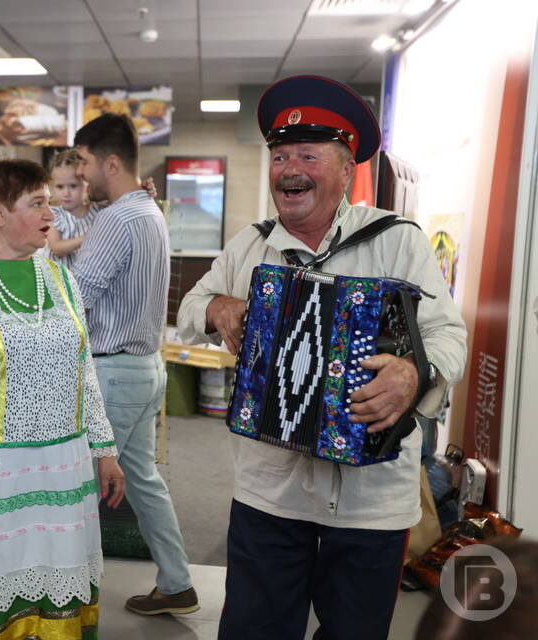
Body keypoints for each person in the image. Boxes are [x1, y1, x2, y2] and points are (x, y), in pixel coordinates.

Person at [177, 75, 468, 640]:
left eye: (308, 155)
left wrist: (414, 373)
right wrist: (219, 308)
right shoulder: (249, 246)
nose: (289, 169)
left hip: (370, 500)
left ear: (344, 168)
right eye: (280, 155)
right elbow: (192, 306)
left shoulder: (396, 240)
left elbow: (448, 334)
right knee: (254, 630)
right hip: (270, 490)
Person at [0, 158, 126, 639]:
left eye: (49, 201)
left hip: (64, 472)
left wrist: (105, 449)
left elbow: (83, 371)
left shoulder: (59, 278)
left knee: (57, 594)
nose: (51, 213)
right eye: (37, 203)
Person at [71, 114, 199, 615]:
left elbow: (75, 298)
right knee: (143, 480)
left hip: (112, 373)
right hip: (144, 367)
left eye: (82, 162)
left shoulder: (118, 219)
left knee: (78, 487)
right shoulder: (148, 211)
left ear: (111, 162)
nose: (79, 173)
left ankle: (67, 602)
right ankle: (177, 582)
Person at [45, 149, 100, 268]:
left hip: (88, 278)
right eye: (60, 187)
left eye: (73, 186)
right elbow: (56, 248)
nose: (66, 193)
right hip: (60, 281)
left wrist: (146, 190)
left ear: (87, 186)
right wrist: (87, 238)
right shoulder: (54, 215)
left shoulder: (97, 211)